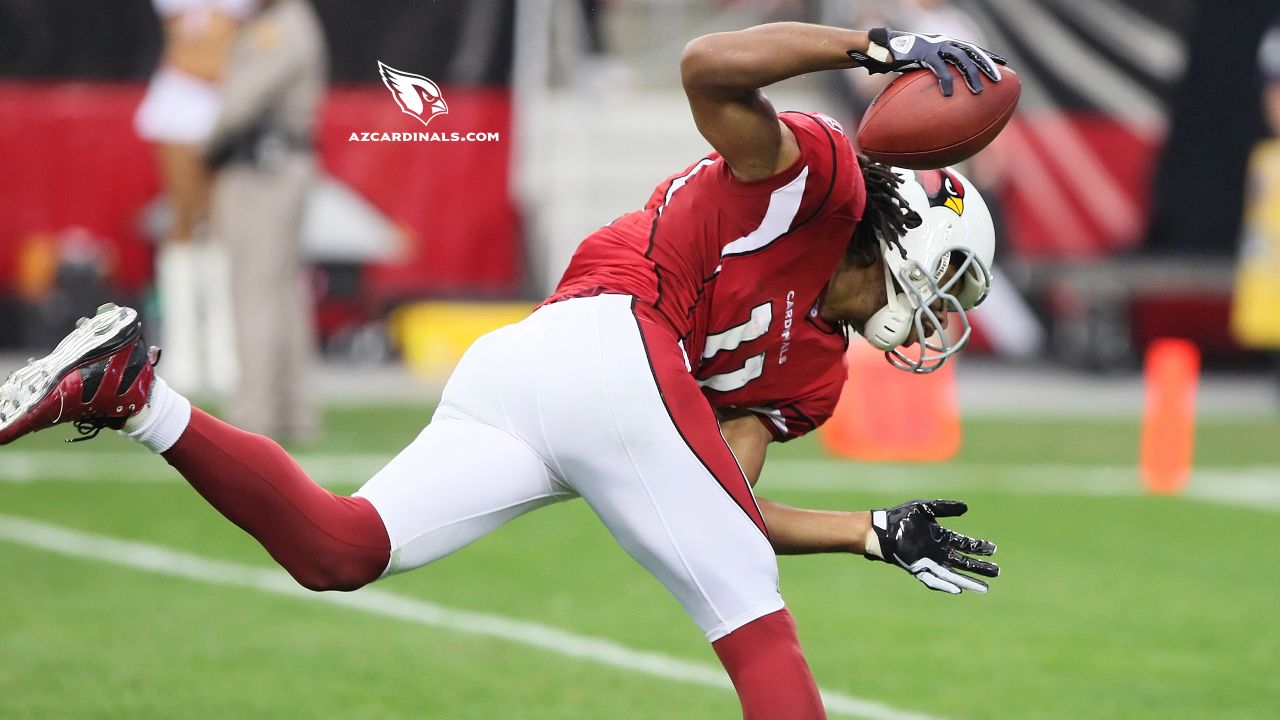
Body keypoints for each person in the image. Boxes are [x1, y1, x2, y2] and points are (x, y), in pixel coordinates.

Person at [0, 23, 1004, 719]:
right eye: (951, 282)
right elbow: (707, 67)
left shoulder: (813, 373)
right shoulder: (812, 178)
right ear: (906, 235)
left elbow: (724, 502)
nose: (947, 312)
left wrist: (867, 533)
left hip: (543, 377)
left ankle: (135, 391)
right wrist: (873, 45)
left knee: (341, 550)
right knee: (751, 628)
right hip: (605, 338)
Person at [203, 0, 326, 441]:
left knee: (255, 292)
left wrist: (206, 142)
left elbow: (240, 101)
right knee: (281, 295)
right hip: (278, 167)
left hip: (262, 171)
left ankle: (253, 412)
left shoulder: (278, 27)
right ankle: (290, 411)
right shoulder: (287, 22)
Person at [134, 0, 253, 396]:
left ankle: (225, 353)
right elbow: (184, 38)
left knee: (225, 226)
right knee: (183, 222)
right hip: (184, 97)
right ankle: (181, 353)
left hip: (229, 99)